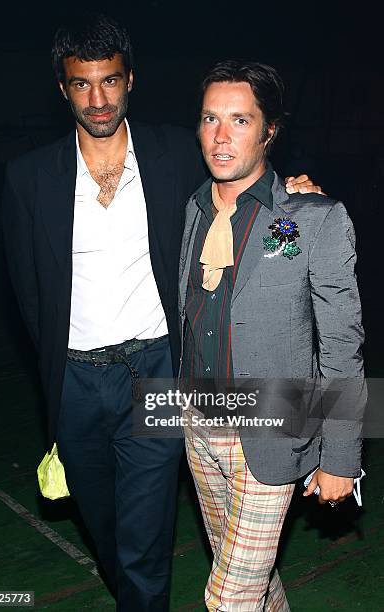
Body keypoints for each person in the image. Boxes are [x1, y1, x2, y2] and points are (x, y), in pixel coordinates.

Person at [1, 13, 321, 611]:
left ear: (131, 80)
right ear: (62, 88)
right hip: (74, 382)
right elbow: (30, 296)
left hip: (156, 374)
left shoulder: (175, 153)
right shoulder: (28, 179)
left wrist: (296, 198)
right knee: (105, 529)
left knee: (145, 539)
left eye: (110, 81)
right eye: (81, 84)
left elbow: (244, 172)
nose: (98, 99)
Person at [179, 60, 365, 611]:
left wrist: (340, 456)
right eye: (210, 118)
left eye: (240, 120)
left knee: (228, 597)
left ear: (269, 130)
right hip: (199, 428)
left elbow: (341, 342)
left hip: (274, 430)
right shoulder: (189, 209)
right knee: (253, 581)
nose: (220, 136)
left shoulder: (312, 217)